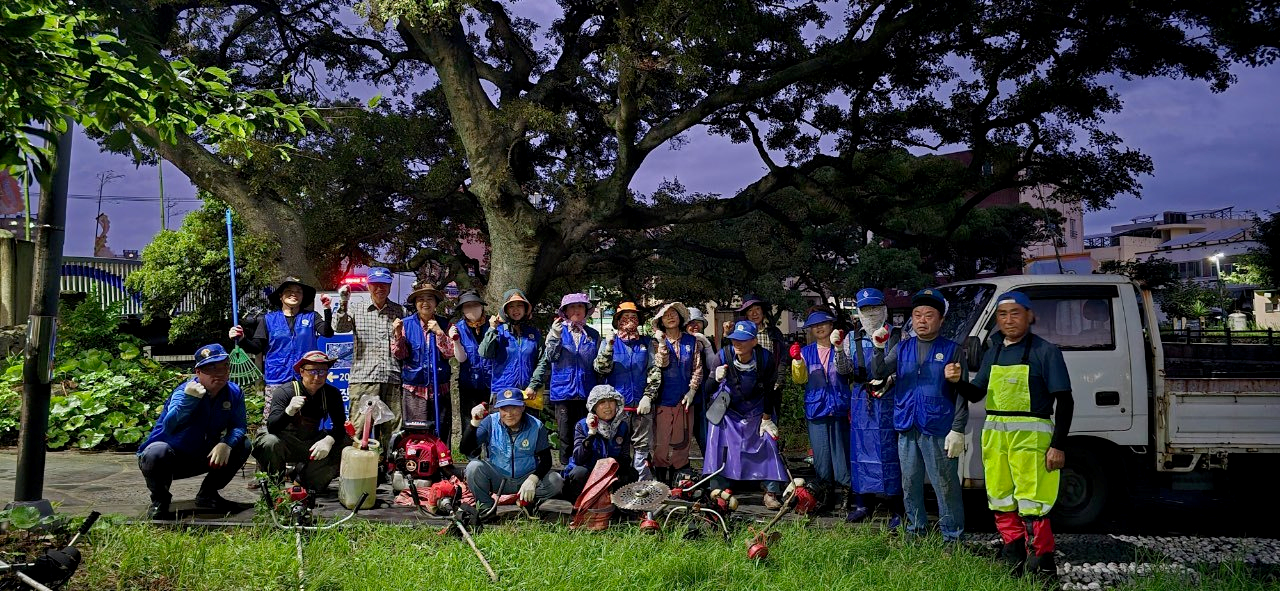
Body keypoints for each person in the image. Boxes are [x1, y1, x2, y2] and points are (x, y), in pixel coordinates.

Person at [955, 291, 1074, 577]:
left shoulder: (1046, 351)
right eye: (1003, 315)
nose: (1009, 320)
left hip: (1032, 439)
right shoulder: (993, 351)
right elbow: (976, 394)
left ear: (1029, 316)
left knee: (1033, 503)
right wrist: (956, 381)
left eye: (1015, 313)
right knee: (1000, 498)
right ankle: (1013, 553)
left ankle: (1042, 562)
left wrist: (1058, 446)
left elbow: (1066, 401)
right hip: (996, 438)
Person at [870, 289, 967, 543]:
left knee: (945, 486)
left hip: (938, 427)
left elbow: (961, 393)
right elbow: (879, 371)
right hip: (907, 425)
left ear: (941, 320)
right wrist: (878, 348)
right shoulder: (902, 348)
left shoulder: (952, 350)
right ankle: (915, 532)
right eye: (917, 315)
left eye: (929, 315)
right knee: (910, 485)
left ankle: (953, 538)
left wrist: (958, 428)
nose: (922, 320)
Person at [137, 344, 250, 520]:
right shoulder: (184, 392)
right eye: (211, 368)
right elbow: (170, 426)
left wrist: (226, 443)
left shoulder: (234, 392)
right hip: (170, 459)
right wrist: (190, 401)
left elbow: (239, 426)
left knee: (242, 445)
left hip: (202, 456)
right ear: (198, 372)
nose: (219, 373)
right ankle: (160, 500)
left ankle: (208, 494)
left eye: (224, 366)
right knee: (155, 452)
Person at [704, 320, 789, 509]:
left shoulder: (765, 359)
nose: (738, 344)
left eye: (743, 340)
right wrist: (715, 378)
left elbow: (770, 391)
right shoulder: (723, 356)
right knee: (716, 438)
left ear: (754, 341)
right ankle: (719, 492)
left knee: (768, 441)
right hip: (728, 409)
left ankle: (771, 491)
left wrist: (767, 418)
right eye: (735, 339)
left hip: (756, 407)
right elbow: (707, 389)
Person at [228, 276, 333, 417]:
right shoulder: (268, 319)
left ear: (303, 297)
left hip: (306, 379)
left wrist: (327, 309)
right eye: (289, 290)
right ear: (280, 296)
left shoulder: (312, 317)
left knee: (307, 419)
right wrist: (241, 339)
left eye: (298, 291)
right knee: (274, 419)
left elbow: (327, 332)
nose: (294, 294)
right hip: (277, 378)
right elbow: (256, 347)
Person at [845, 288, 904, 524]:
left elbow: (906, 366)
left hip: (890, 399)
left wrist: (890, 380)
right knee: (861, 450)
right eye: (866, 309)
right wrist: (838, 350)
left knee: (890, 451)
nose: (871, 314)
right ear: (859, 312)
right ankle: (863, 503)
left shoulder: (899, 335)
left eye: (875, 308)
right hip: (862, 400)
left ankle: (897, 507)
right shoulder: (852, 338)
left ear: (884, 309)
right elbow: (845, 371)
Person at [252, 351, 348, 492]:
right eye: (312, 371)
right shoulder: (285, 392)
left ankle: (303, 479)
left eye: (322, 372)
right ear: (302, 372)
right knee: (269, 442)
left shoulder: (331, 394)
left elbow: (340, 426)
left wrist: (329, 440)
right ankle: (275, 487)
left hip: (309, 442)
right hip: (284, 441)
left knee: (346, 442)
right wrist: (288, 412)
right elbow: (272, 427)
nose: (317, 377)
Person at [335, 267, 405, 454]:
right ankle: (355, 470)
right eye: (375, 284)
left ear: (390, 286)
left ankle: (389, 468)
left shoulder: (399, 311)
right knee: (358, 427)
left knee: (392, 428)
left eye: (384, 284)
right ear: (368, 285)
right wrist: (343, 302)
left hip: (392, 377)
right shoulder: (356, 308)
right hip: (363, 377)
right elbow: (340, 327)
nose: (379, 288)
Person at [789, 307, 852, 513]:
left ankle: (846, 493)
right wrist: (797, 361)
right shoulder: (806, 352)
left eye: (823, 324)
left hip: (839, 407)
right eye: (815, 326)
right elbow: (800, 380)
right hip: (816, 409)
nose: (819, 328)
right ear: (810, 330)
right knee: (821, 454)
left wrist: (840, 347)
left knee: (841, 452)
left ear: (831, 325)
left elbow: (848, 372)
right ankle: (825, 495)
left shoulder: (841, 348)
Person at [462, 390, 564, 515]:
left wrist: (533, 479)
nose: (509, 414)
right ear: (498, 409)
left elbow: (546, 459)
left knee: (556, 480)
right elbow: (465, 449)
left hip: (525, 479)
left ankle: (527, 501)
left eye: (514, 408)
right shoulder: (490, 422)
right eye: (504, 409)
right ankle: (486, 507)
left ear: (523, 407)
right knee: (473, 467)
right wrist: (474, 423)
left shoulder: (536, 426)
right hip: (498, 478)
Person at [529, 293, 601, 465]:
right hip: (563, 393)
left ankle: (583, 471)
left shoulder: (593, 334)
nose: (576, 310)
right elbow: (551, 357)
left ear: (586, 310)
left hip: (586, 392)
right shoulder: (558, 331)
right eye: (572, 307)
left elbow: (598, 364)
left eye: (580, 306)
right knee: (565, 436)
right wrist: (555, 336)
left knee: (586, 431)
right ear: (565, 311)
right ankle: (565, 473)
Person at [642, 302, 704, 484]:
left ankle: (680, 480)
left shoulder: (691, 341)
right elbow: (660, 364)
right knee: (661, 441)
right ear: (660, 320)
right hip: (662, 398)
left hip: (685, 399)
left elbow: (697, 368)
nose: (670, 317)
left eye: (673, 314)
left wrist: (692, 391)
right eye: (665, 315)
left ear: (680, 317)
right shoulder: (655, 343)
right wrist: (662, 343)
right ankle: (661, 479)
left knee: (682, 439)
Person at [593, 301, 655, 480]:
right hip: (616, 409)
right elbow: (600, 369)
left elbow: (654, 370)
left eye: (634, 317)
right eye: (625, 317)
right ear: (617, 320)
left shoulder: (646, 343)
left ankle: (642, 490)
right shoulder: (609, 342)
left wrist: (648, 397)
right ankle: (614, 488)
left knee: (642, 450)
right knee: (617, 449)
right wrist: (609, 347)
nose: (629, 321)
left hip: (641, 407)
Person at [392, 281, 456, 447]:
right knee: (416, 431)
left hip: (439, 388)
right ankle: (417, 466)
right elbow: (400, 354)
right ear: (415, 304)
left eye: (429, 298)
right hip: (414, 389)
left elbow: (450, 352)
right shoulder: (405, 324)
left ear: (436, 303)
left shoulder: (446, 324)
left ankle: (443, 465)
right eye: (420, 299)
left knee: (441, 429)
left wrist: (439, 333)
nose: (425, 303)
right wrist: (398, 335)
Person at [561, 385, 640, 500]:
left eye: (611, 401)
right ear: (594, 407)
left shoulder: (622, 426)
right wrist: (591, 434)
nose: (608, 406)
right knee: (579, 473)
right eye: (602, 402)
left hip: (610, 470)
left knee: (630, 473)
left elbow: (625, 457)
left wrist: (612, 464)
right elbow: (578, 459)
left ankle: (618, 505)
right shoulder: (582, 425)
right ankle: (579, 506)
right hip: (588, 469)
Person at [478, 288, 543, 408]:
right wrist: (492, 328)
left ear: (525, 309)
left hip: (528, 393)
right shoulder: (498, 332)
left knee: (529, 426)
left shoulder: (534, 334)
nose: (516, 309)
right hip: (502, 392)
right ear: (506, 310)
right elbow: (484, 353)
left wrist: (533, 385)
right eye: (511, 306)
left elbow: (542, 362)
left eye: (519, 305)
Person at [725, 295, 787, 420]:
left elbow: (782, 357)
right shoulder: (738, 333)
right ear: (746, 314)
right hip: (744, 386)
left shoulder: (774, 332)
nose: (754, 313)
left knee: (770, 422)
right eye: (749, 310)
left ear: (763, 311)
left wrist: (779, 379)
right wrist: (726, 335)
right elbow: (727, 356)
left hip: (769, 384)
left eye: (757, 309)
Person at [450, 290, 493, 447]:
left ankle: (492, 458)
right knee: (470, 421)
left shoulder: (493, 324)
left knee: (491, 422)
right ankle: (471, 457)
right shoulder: (459, 328)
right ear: (462, 310)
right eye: (467, 306)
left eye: (475, 305)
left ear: (482, 307)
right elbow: (461, 358)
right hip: (468, 384)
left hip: (491, 383)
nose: (471, 309)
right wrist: (456, 341)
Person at [685, 307, 718, 455]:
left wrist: (707, 345)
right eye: (690, 323)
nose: (695, 326)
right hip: (683, 396)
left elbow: (714, 366)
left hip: (704, 397)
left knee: (706, 435)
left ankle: (711, 470)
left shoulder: (707, 343)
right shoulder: (679, 343)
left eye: (698, 323)